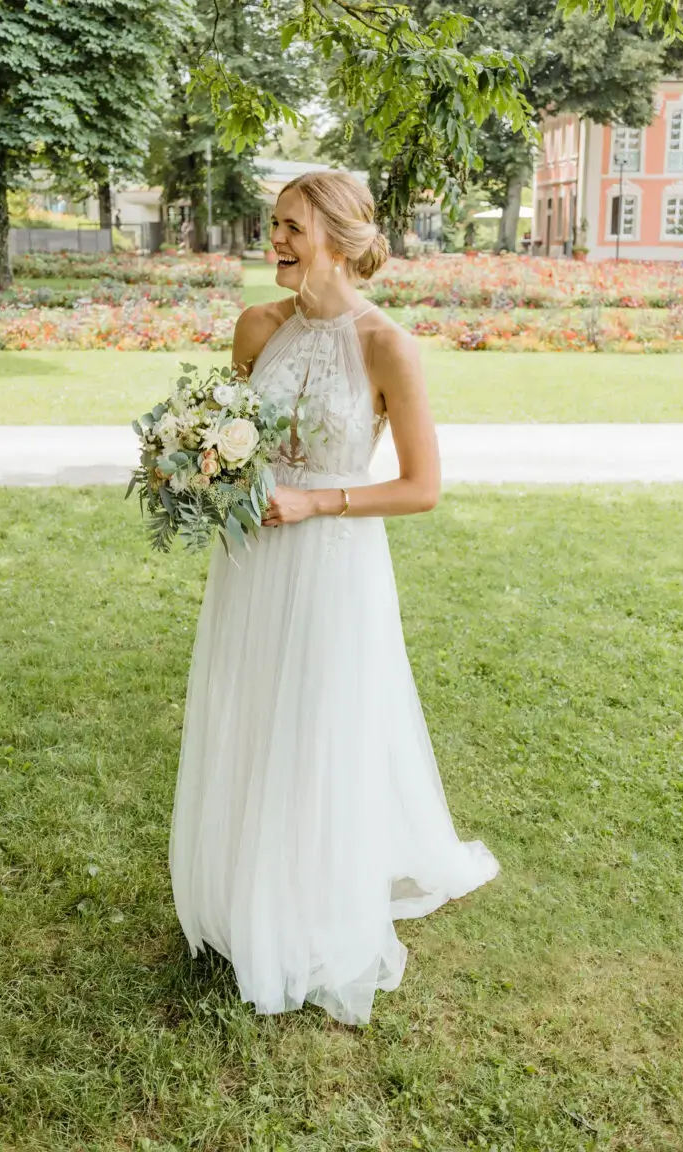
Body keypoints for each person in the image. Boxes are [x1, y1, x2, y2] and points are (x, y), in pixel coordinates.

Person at [168, 171, 499, 1026]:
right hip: (251, 564)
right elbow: (234, 444)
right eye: (273, 224)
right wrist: (201, 474)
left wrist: (316, 502)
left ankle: (311, 909)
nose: (273, 239)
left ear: (340, 241)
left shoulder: (387, 345)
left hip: (335, 565)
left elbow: (422, 487)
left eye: (291, 227)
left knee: (318, 724)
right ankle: (243, 891)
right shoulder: (256, 327)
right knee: (250, 714)